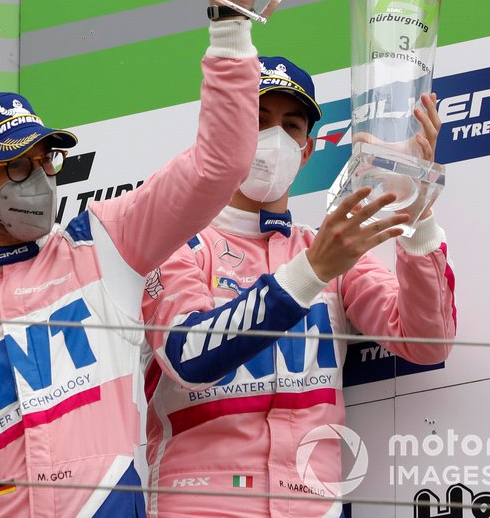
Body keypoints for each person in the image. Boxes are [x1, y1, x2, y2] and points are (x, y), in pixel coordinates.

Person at [0, 0, 261, 516]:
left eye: (46, 160)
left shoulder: (104, 241)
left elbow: (219, 165)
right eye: (15, 166)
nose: (39, 179)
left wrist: (230, 23)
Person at [141, 53, 457, 518]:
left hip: (315, 504)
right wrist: (310, 272)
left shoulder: (328, 246)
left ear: (307, 150)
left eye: (291, 126)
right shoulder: (178, 245)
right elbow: (188, 356)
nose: (275, 137)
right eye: (258, 119)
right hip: (200, 503)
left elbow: (428, 343)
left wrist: (416, 205)